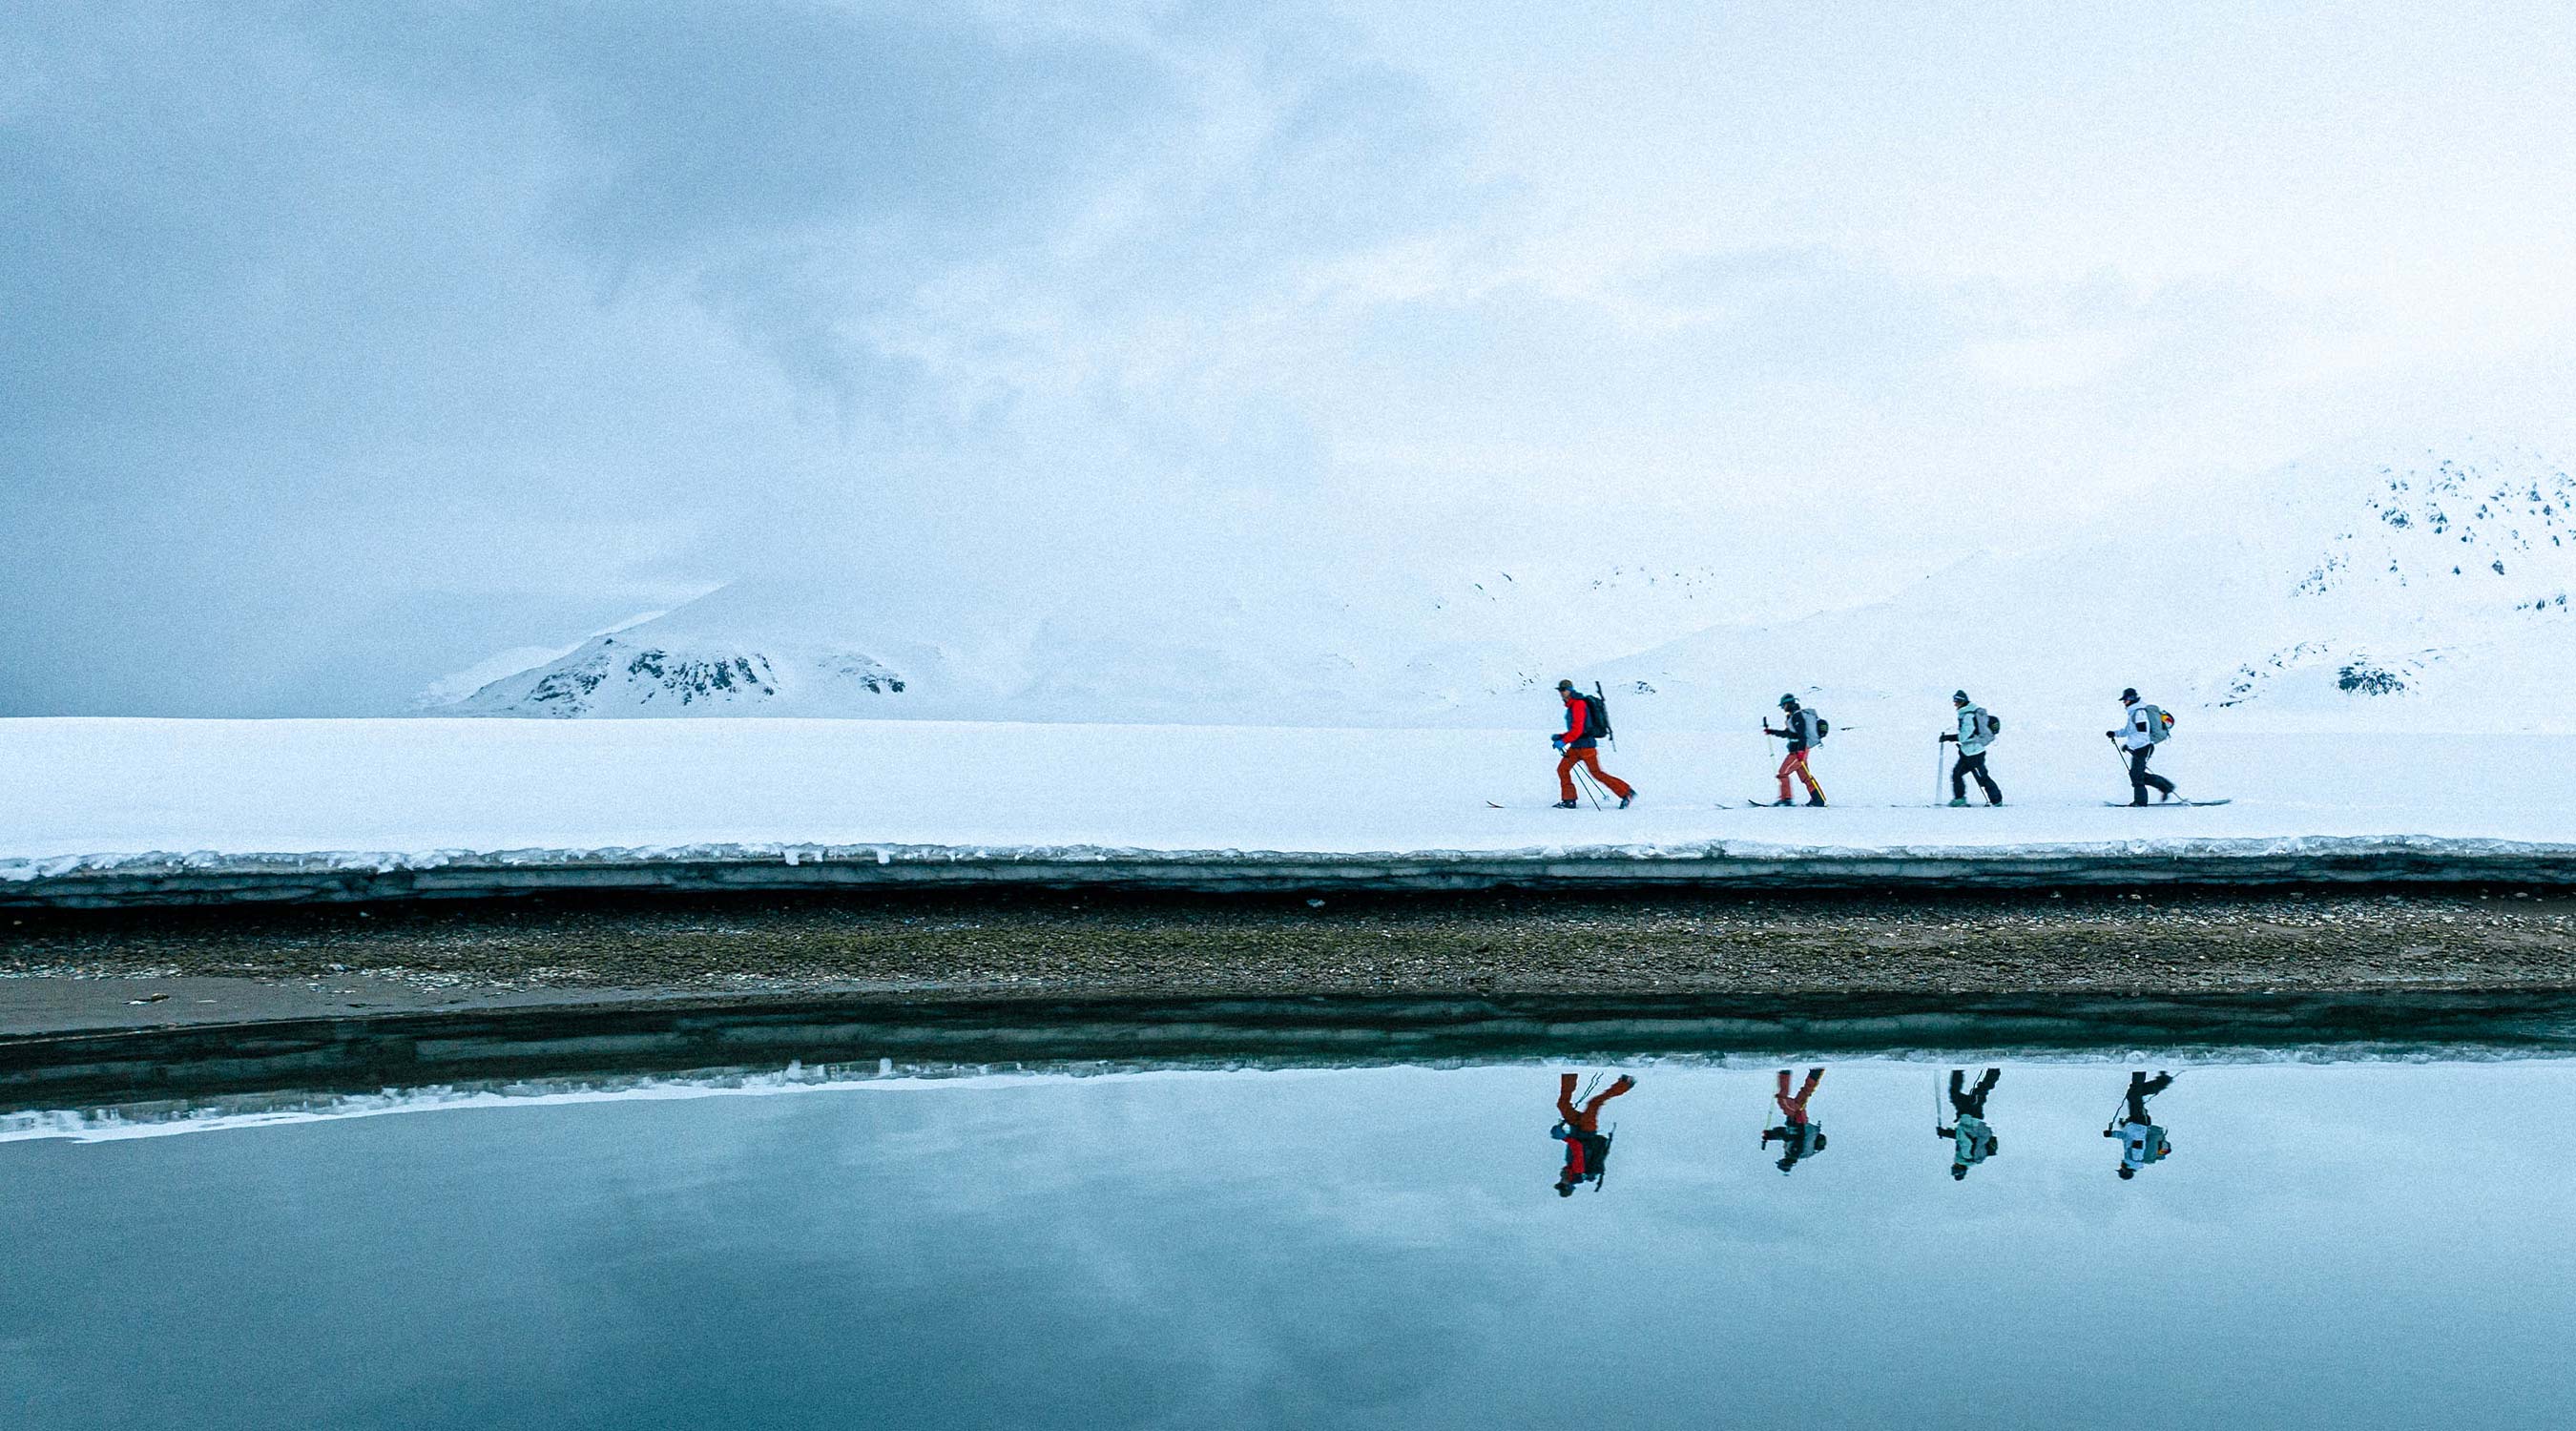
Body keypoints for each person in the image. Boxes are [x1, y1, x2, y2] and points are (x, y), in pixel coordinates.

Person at [1550, 679, 1636, 809]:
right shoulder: (1572, 705)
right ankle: (1569, 800)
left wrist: (1563, 741)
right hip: (1576, 746)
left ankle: (1626, 792)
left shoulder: (1578, 704)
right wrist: (1561, 737)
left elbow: (1578, 730)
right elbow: (1576, 729)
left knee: (1597, 773)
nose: (1561, 693)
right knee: (1563, 769)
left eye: (1563, 690)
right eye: (1560, 690)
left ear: (1570, 690)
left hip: (1586, 747)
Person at [1552, 1071, 1635, 1195]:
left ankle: (1570, 1073)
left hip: (1576, 1128)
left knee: (1562, 1105)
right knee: (1594, 1104)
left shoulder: (1568, 1171)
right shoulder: (1578, 1171)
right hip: (1586, 1130)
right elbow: (1577, 1147)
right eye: (1564, 1186)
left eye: (1560, 1185)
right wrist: (1564, 1137)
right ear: (1570, 1186)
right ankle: (1625, 1084)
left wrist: (1564, 1132)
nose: (1562, 1182)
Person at [2107, 688, 2179, 806]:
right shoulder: (2134, 712)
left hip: (2144, 747)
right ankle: (2166, 787)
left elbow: (2142, 733)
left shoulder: (2139, 713)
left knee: (2136, 775)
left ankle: (2140, 802)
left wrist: (2129, 745)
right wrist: (2115, 733)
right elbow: (2129, 731)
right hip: (2140, 747)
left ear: (2131, 699)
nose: (2124, 702)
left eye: (2125, 700)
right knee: (2136, 774)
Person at [2103, 1070, 2174, 1179]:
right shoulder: (2135, 1159)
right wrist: (2135, 1134)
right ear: (2125, 1170)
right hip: (2138, 1124)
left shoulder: (2129, 1157)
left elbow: (2125, 1137)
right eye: (2121, 1169)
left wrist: (2112, 1134)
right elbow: (2139, 1143)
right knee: (2134, 1095)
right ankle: (2140, 1072)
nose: (2120, 1166)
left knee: (2134, 1094)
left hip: (2134, 1124)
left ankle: (2161, 1081)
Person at [1936, 1068, 2002, 1180]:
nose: (1954, 1165)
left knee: (1961, 1094)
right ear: (1960, 1168)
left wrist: (1946, 1133)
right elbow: (1963, 1137)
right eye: (1955, 1168)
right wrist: (1944, 1132)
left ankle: (1959, 1069)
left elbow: (1963, 1136)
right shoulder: (1966, 1155)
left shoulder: (1967, 1157)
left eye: (1953, 1168)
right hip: (1971, 1117)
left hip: (1969, 1117)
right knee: (1978, 1092)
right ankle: (1993, 1070)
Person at [1941, 691, 2004, 807]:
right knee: (1957, 774)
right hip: (1968, 752)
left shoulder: (1968, 716)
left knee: (1982, 777)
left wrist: (1950, 737)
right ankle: (1960, 798)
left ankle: (1996, 800)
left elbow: (1965, 736)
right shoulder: (1966, 714)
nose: (1955, 704)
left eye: (1957, 701)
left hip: (1975, 753)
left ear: (1962, 701)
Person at [1762, 695, 1827, 807]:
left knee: (1783, 774)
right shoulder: (1793, 717)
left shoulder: (1797, 717)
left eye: (1783, 705)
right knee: (1805, 777)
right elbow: (1789, 734)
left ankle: (1786, 799)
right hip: (1800, 750)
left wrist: (1801, 751)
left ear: (1788, 704)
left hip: (1798, 752)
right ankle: (1818, 800)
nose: (1783, 708)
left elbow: (1802, 735)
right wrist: (1771, 731)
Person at [1761, 1067, 1827, 1172]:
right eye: (1782, 1161)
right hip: (1797, 1120)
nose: (1782, 1159)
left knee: (1803, 1095)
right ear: (1785, 1162)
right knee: (1782, 1100)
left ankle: (1815, 1073)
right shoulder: (1794, 1152)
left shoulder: (1794, 1153)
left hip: (1799, 1121)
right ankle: (1785, 1073)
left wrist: (1771, 1135)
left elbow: (1787, 1135)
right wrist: (1770, 1135)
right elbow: (1791, 1136)